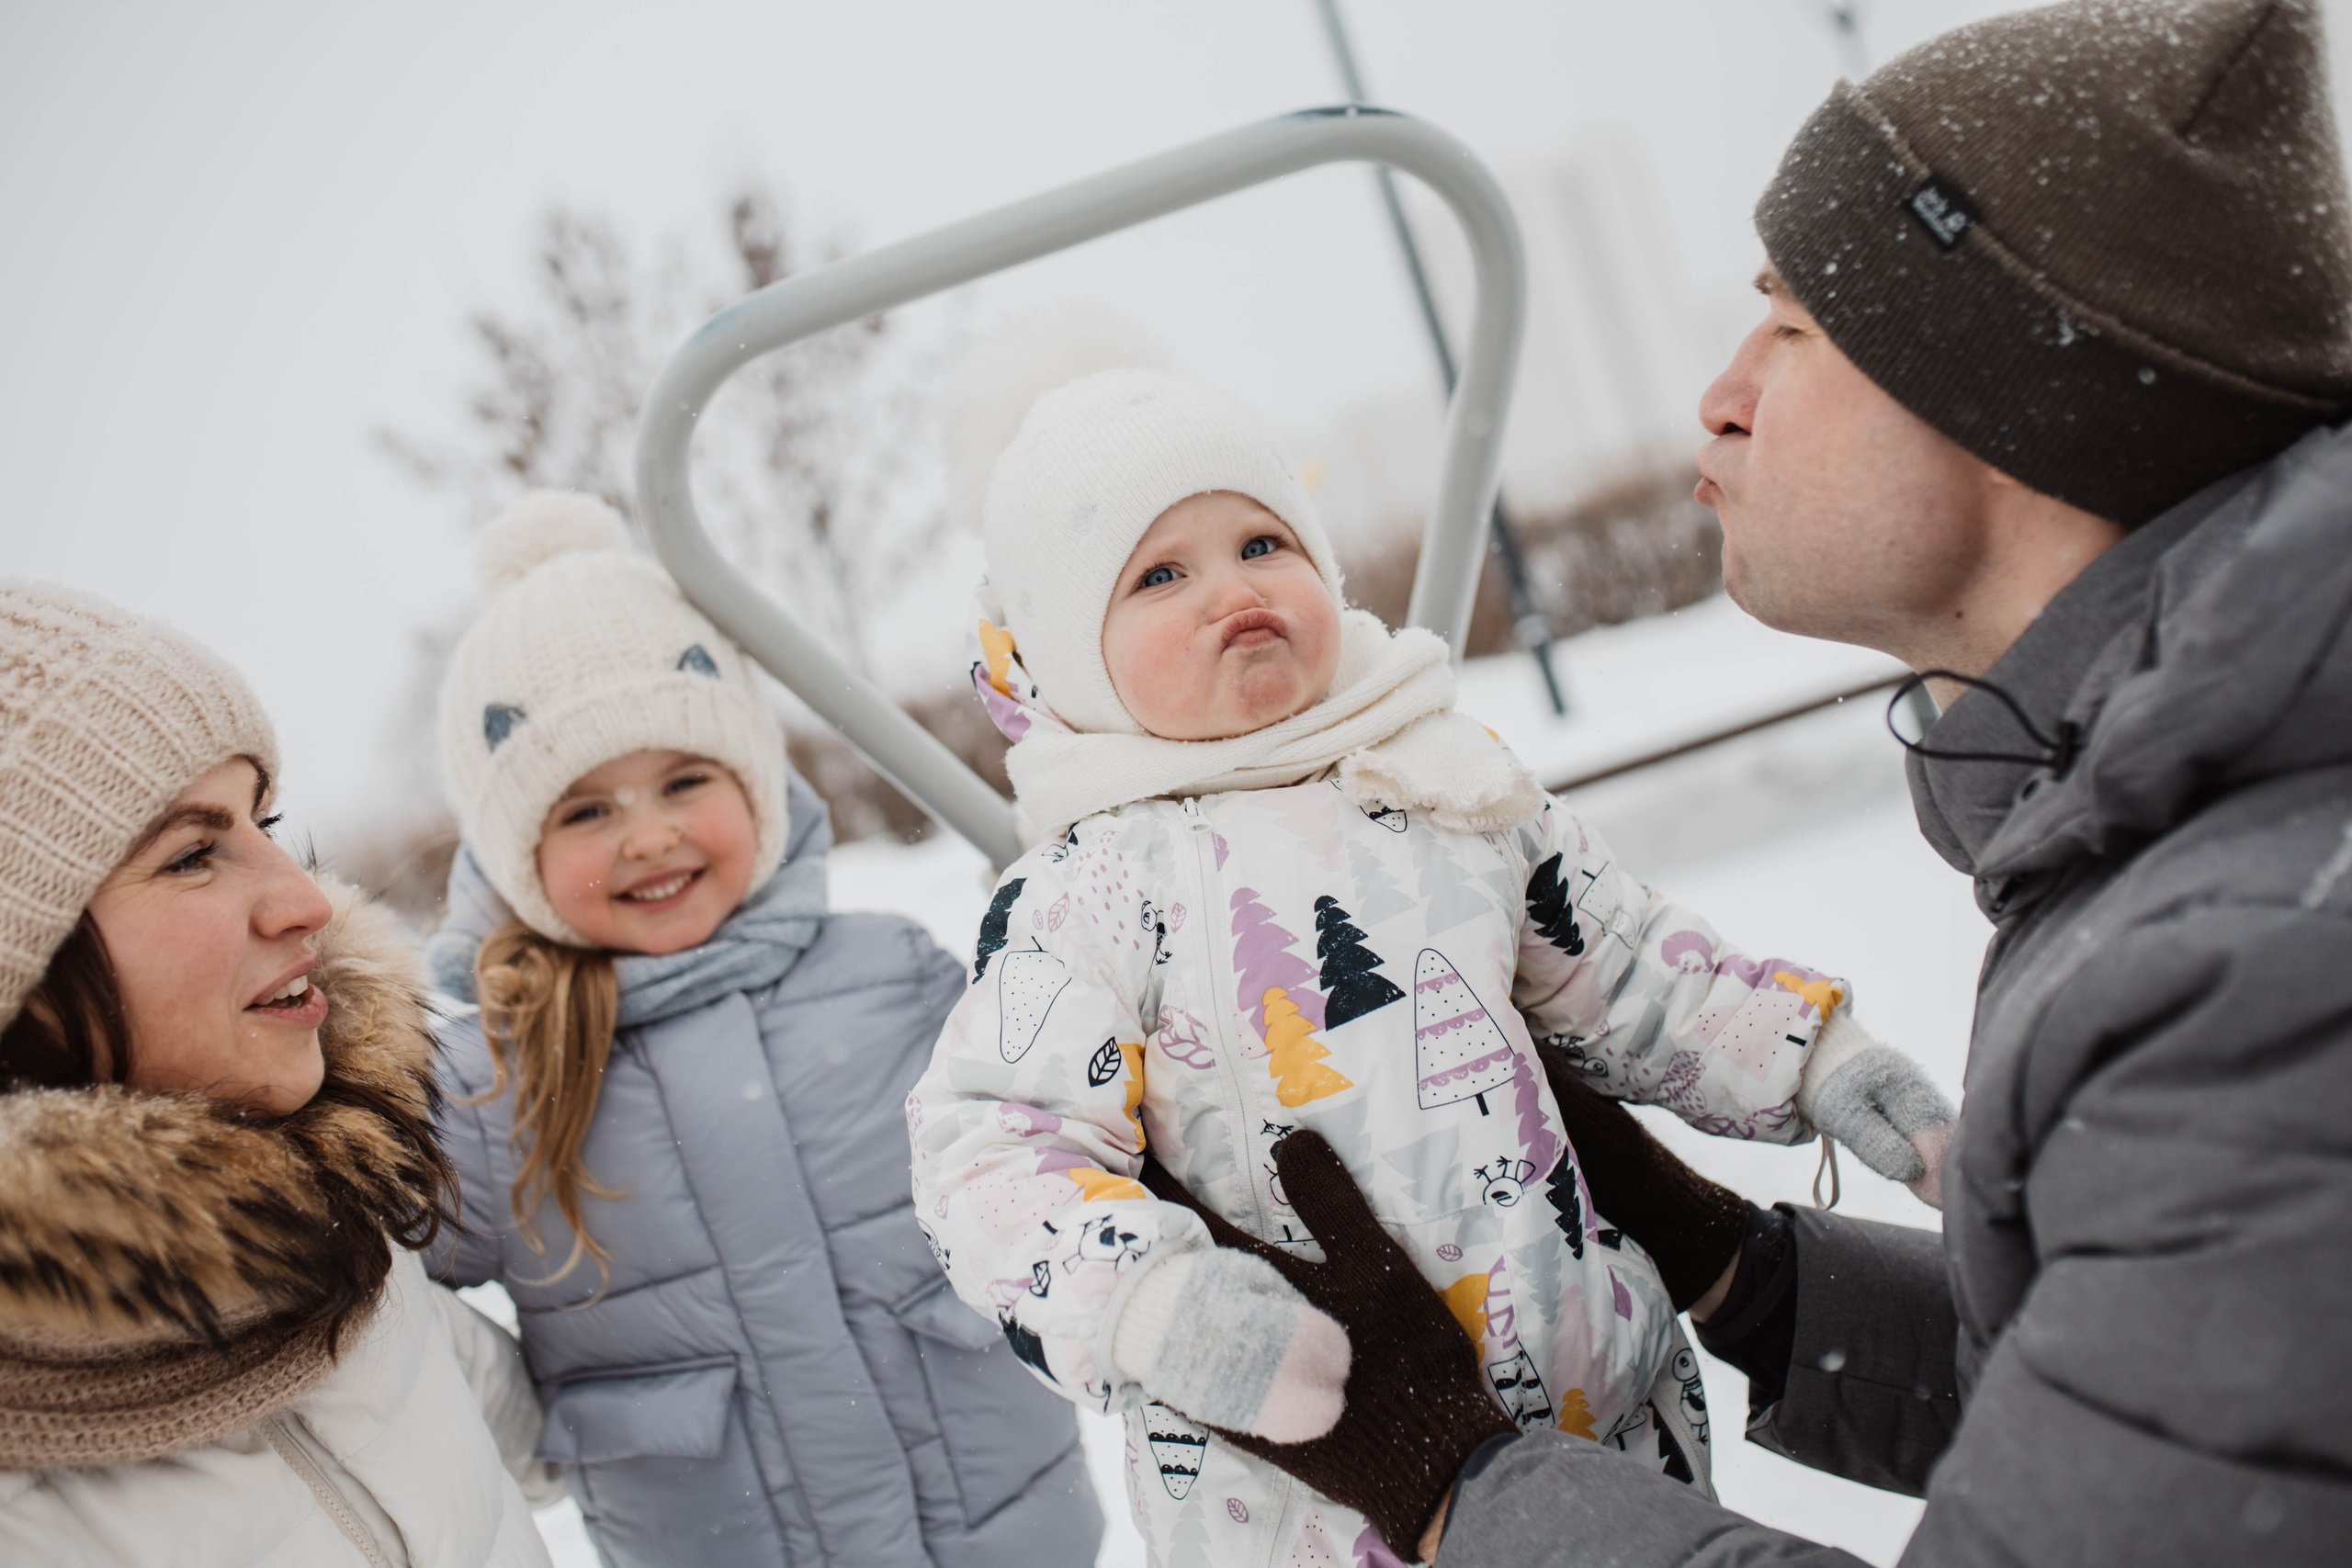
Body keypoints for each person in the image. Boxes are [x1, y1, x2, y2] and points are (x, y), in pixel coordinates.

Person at [1217, 1, 2352, 1562]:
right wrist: (1738, 1265)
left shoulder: (2267, 984)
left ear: (2013, 396)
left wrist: (1460, 1487)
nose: (1721, 393)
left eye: (1797, 328)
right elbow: (2157, 1422)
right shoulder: (2213, 829)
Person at [903, 310, 1957, 1565]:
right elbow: (992, 1153)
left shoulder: (1438, 776)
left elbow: (1626, 966)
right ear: (1065, 651)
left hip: (1606, 1420)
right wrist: (1155, 1302)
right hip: (1313, 1493)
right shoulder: (1086, 889)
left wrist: (1815, 1057)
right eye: (1159, 574)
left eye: (1260, 539)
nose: (1235, 589)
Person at [421, 491, 1101, 1568]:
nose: (648, 834)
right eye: (585, 810)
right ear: (515, 857)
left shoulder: (893, 978)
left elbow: (1069, 1139)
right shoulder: (482, 1088)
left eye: (685, 779)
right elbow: (381, 1315)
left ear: (758, 784)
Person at [0, 581, 559, 1566]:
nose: (305, 898)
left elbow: (563, 1435)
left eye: (266, 822)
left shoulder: (329, 1230)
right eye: (190, 856)